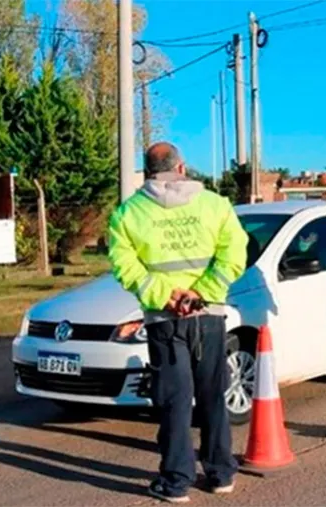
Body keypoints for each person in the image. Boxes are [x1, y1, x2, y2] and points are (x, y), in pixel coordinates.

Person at [108, 142, 248, 503]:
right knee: (212, 396)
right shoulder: (215, 205)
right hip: (208, 316)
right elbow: (234, 254)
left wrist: (166, 296)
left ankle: (176, 482)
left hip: (164, 321)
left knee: (175, 401)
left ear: (148, 171)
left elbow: (126, 268)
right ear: (182, 168)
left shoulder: (127, 214)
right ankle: (220, 473)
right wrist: (201, 293)